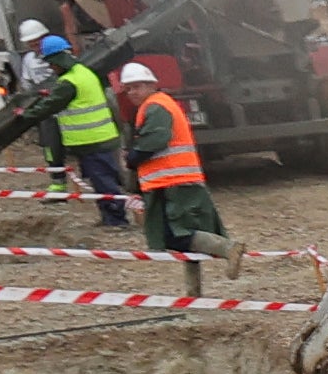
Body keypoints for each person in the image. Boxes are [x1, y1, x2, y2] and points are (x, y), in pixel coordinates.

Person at [117, 64, 227, 266]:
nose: (132, 92)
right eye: (128, 88)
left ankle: (229, 249)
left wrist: (132, 157)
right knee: (176, 235)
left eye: (137, 86)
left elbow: (156, 140)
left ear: (152, 85)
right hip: (170, 181)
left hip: (173, 182)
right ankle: (198, 285)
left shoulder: (156, 106)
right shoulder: (155, 104)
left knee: (177, 234)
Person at [28, 28, 133, 230]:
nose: (51, 67)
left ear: (58, 59)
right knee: (102, 180)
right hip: (100, 138)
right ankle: (110, 217)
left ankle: (117, 220)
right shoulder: (83, 73)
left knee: (104, 182)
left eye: (51, 62)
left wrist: (25, 114)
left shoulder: (69, 82)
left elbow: (49, 106)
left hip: (92, 141)